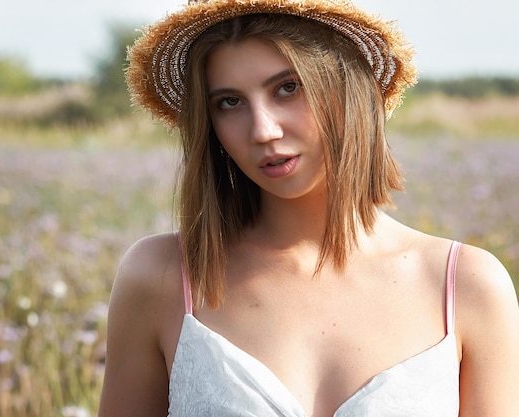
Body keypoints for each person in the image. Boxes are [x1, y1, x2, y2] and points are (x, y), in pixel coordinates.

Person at [98, 1, 519, 416]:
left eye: (288, 87)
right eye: (229, 102)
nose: (263, 130)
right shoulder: (163, 276)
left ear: (348, 87)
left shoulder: (464, 286)